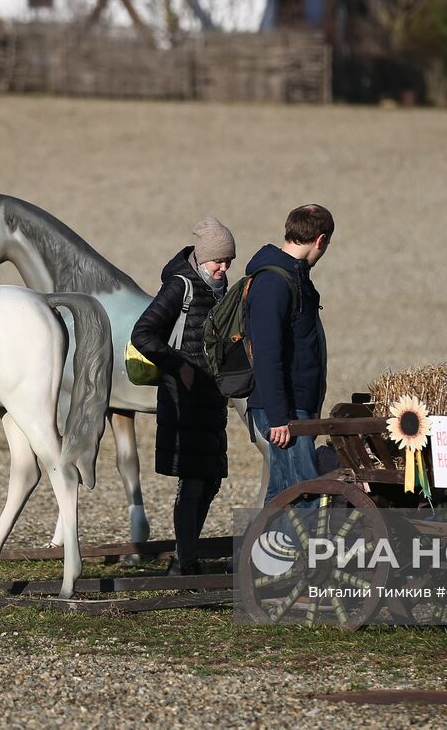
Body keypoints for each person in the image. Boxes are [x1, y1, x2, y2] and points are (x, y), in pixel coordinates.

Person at [130, 217, 236, 575]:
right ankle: (185, 562)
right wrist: (181, 367)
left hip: (211, 400)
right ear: (201, 257)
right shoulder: (180, 287)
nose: (223, 268)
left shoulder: (218, 288)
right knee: (192, 482)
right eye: (218, 261)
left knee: (211, 480)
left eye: (228, 262)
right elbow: (142, 334)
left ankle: (184, 556)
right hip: (184, 400)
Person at [245, 204, 333, 505]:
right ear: (320, 240)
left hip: (294, 408)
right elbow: (267, 355)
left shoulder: (295, 277)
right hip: (284, 411)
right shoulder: (274, 283)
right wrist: (280, 417)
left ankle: (260, 551)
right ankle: (304, 553)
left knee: (284, 493)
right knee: (304, 492)